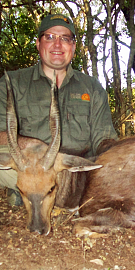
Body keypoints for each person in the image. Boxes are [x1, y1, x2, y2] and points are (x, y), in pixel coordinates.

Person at [0, 14, 118, 205]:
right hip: (29, 168)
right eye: (49, 37)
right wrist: (32, 145)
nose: (57, 45)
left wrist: (117, 158)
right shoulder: (11, 83)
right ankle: (28, 188)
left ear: (72, 47)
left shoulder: (92, 87)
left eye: (65, 38)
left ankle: (31, 194)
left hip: (76, 172)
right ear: (38, 44)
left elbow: (103, 139)